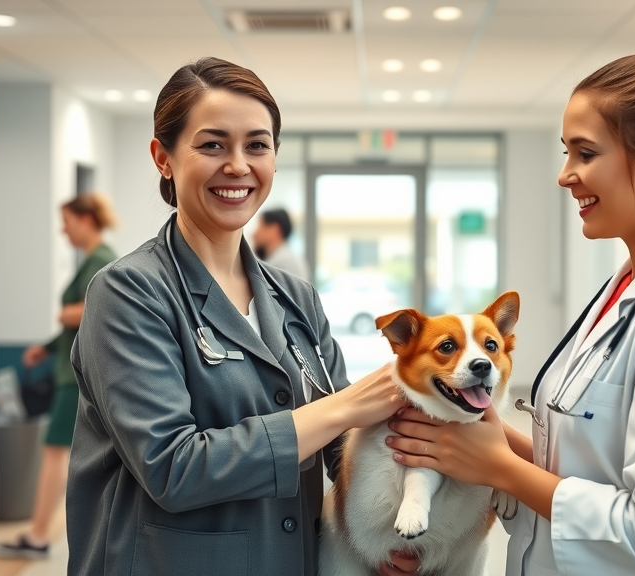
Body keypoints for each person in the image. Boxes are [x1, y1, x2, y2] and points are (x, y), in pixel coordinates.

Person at [385, 25, 635, 576]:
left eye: (585, 153)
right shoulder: (630, 287)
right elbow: (600, 469)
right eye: (566, 152)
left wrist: (502, 469)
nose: (565, 175)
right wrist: (494, 447)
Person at [64, 57, 418, 576]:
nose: (237, 165)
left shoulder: (295, 298)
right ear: (163, 157)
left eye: (257, 145)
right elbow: (172, 467)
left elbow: (345, 453)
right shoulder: (129, 292)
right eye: (212, 145)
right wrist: (342, 409)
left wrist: (388, 535)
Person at [0, 193, 118, 559]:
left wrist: (69, 313)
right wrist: (47, 347)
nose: (63, 229)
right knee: (60, 453)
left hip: (76, 377)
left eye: (67, 221)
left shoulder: (102, 259)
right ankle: (45, 532)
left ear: (85, 220)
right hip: (69, 368)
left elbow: (101, 309)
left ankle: (38, 534)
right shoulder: (91, 261)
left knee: (53, 452)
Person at [252, 207, 308, 278]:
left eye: (260, 226)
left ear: (274, 229)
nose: (254, 233)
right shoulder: (279, 259)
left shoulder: (285, 262)